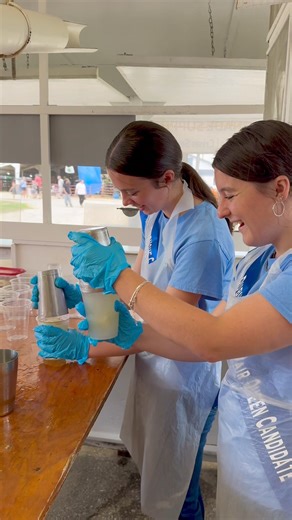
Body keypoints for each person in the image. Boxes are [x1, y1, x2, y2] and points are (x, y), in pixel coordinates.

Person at [35, 120, 292, 519]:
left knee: (179, 493)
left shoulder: (211, 235)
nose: (222, 209)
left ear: (279, 189)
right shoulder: (260, 259)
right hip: (244, 441)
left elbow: (212, 339)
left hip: (280, 453)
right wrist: (112, 321)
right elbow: (198, 340)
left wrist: (119, 279)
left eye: (229, 195)